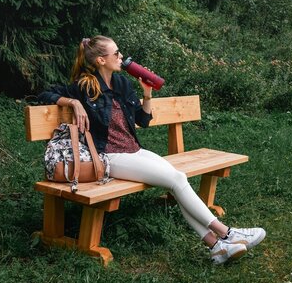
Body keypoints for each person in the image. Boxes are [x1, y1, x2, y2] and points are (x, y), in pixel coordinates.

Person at [38, 35, 265, 264]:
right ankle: (227, 233)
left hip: (134, 151)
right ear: (101, 60)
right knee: (177, 179)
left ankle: (216, 247)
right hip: (110, 156)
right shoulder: (85, 87)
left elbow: (143, 120)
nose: (121, 56)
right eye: (116, 53)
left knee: (177, 179)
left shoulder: (123, 83)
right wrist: (73, 102)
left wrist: (147, 93)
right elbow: (45, 93)